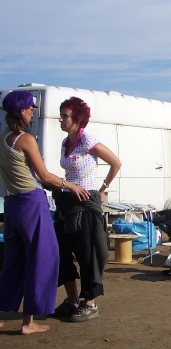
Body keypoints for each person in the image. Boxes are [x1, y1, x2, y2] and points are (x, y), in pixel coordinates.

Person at [0, 90, 89, 334]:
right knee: (43, 260)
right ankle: (28, 322)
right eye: (30, 108)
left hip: (12, 205)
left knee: (13, 262)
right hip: (31, 204)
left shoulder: (2, 137)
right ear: (21, 111)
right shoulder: (25, 139)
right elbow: (44, 176)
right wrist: (71, 185)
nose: (32, 112)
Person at [53, 96, 121, 323]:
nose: (61, 119)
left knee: (88, 252)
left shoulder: (87, 140)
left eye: (65, 115)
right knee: (62, 250)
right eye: (61, 114)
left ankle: (89, 301)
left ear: (77, 118)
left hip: (87, 200)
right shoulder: (65, 143)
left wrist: (103, 189)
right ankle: (72, 299)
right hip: (67, 200)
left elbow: (116, 163)